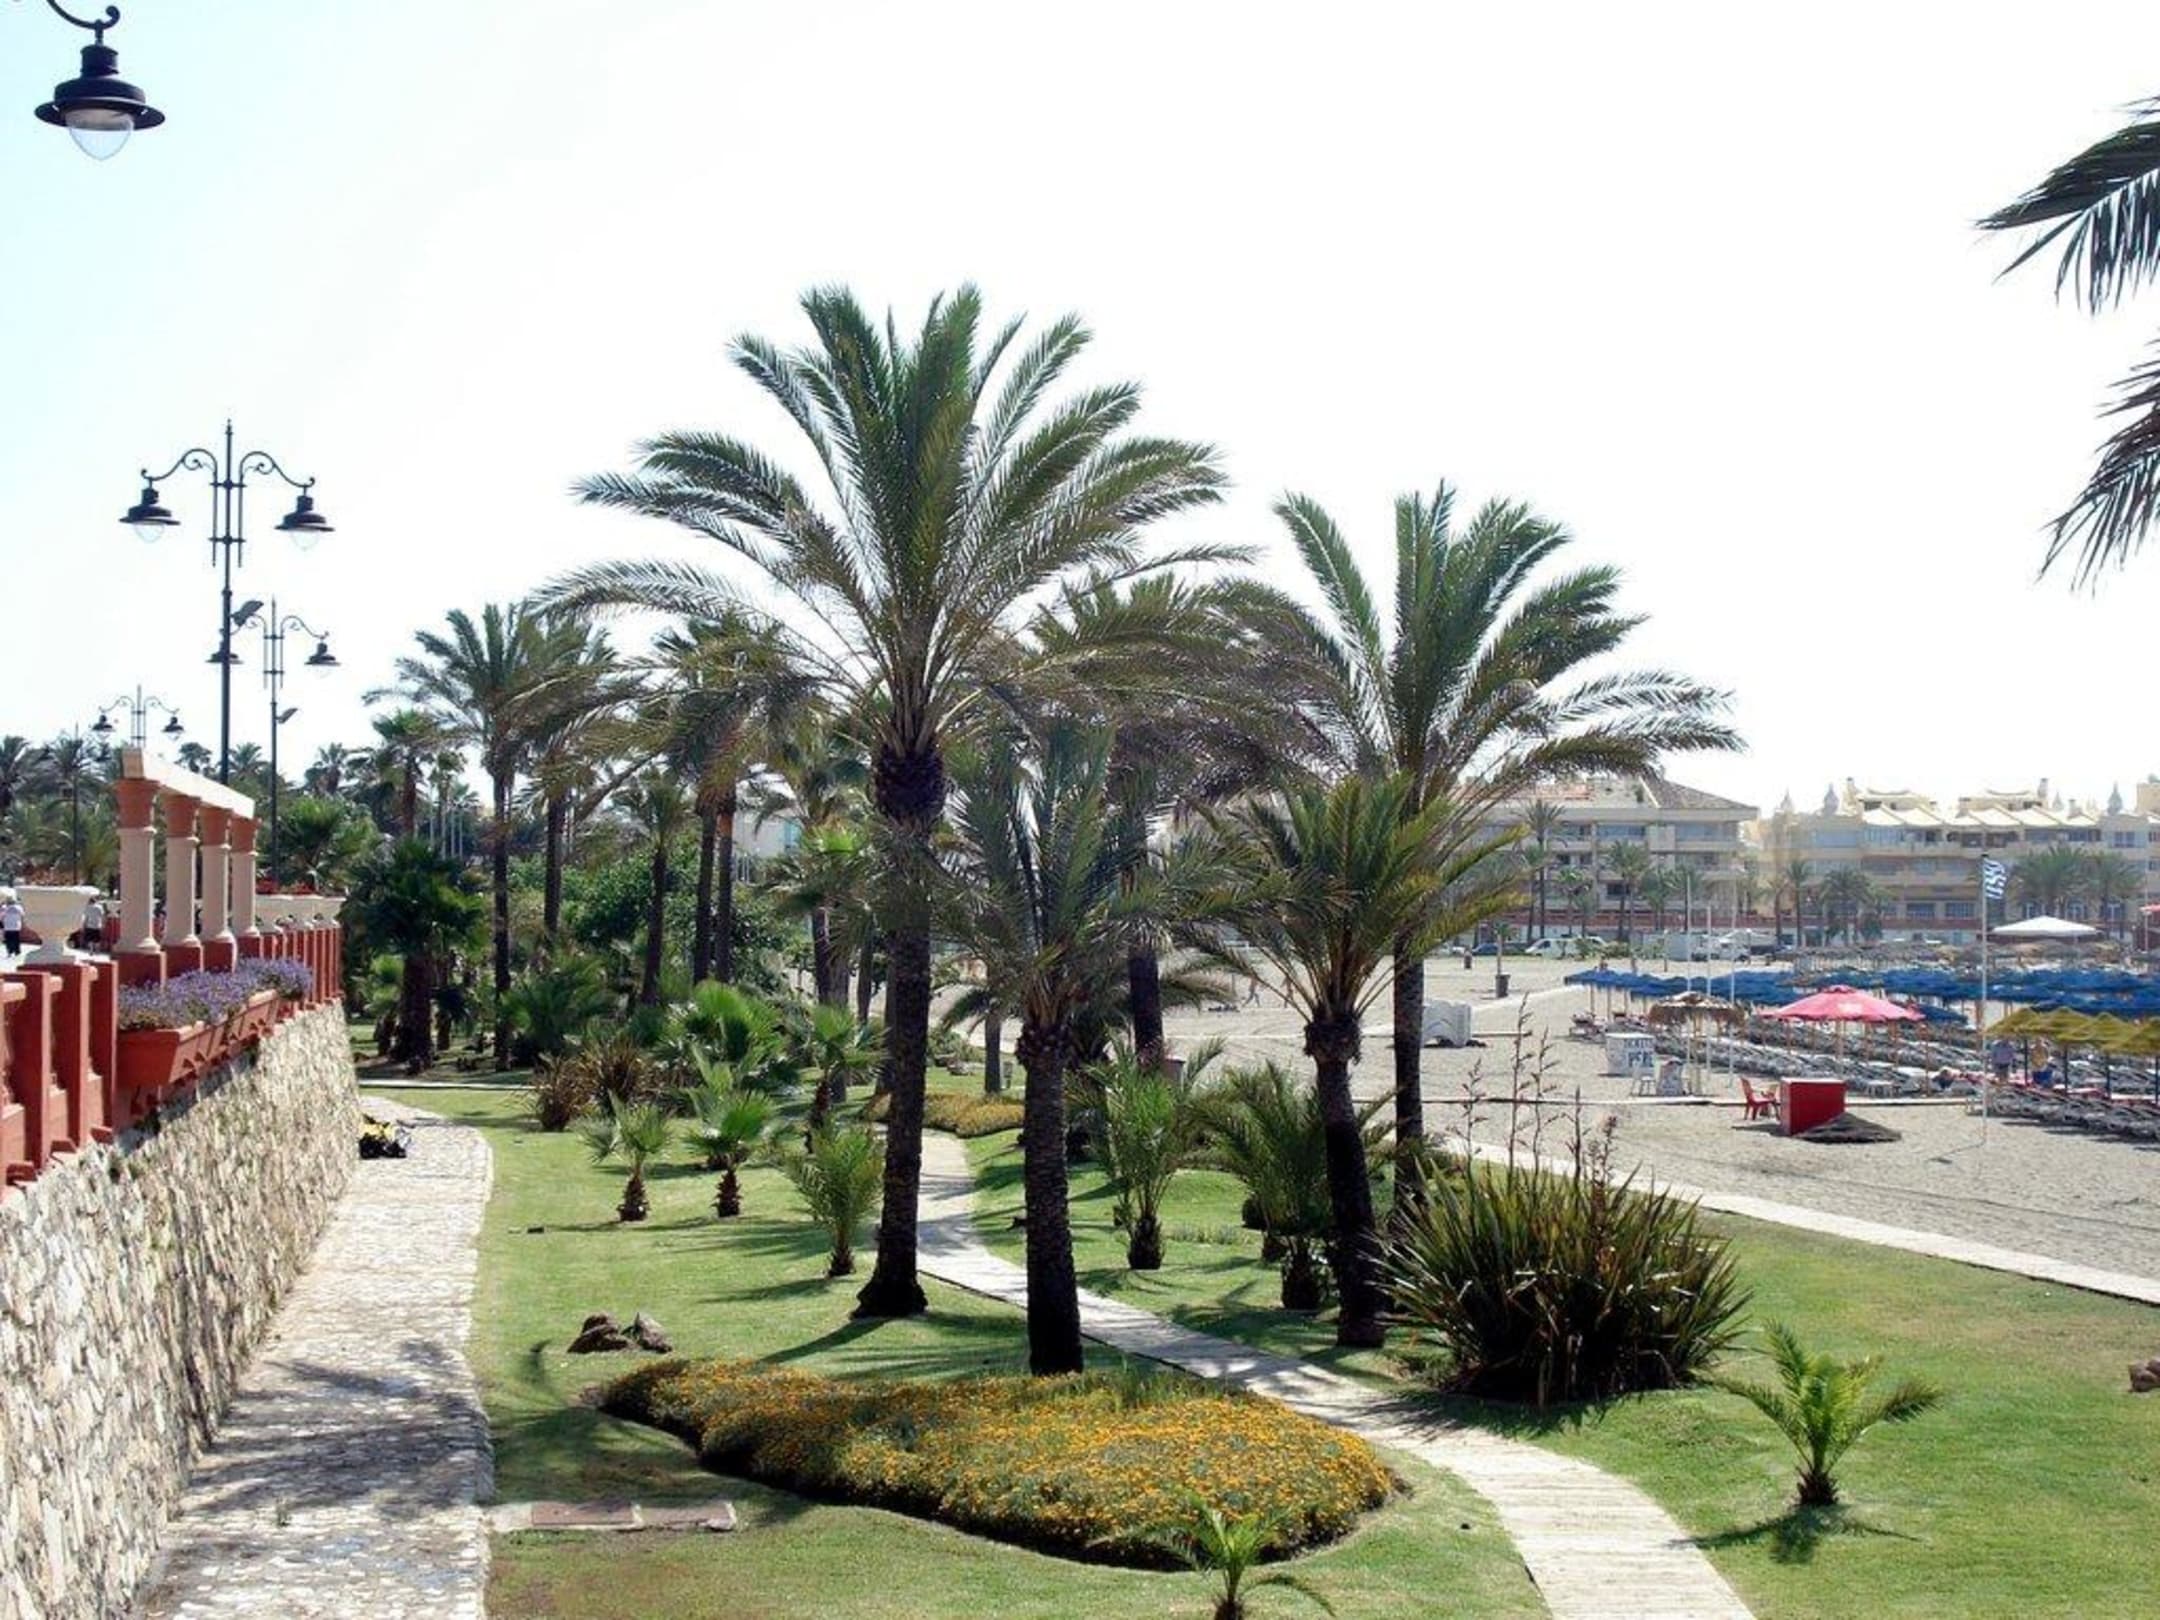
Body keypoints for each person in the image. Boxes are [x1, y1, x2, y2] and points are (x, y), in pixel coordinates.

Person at [0, 894, 22, 959]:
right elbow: (22, 914)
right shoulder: (19, 907)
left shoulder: (4, 908)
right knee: (16, 939)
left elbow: (1, 917)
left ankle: (10, 952)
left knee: (9, 940)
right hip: (16, 926)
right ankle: (17, 952)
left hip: (8, 926)